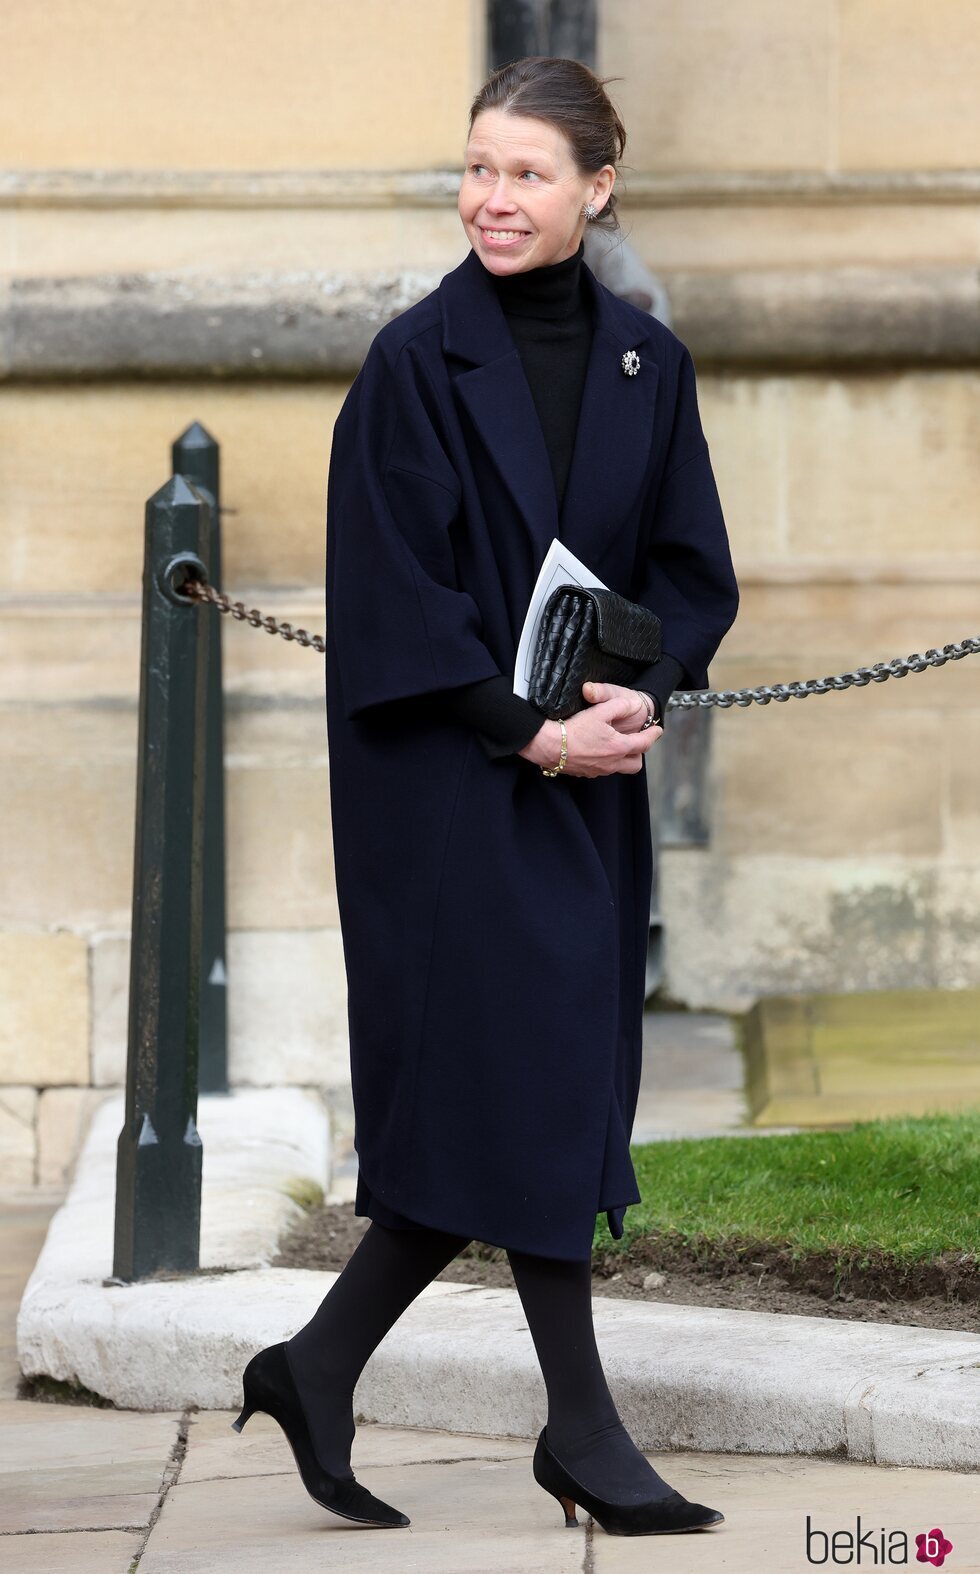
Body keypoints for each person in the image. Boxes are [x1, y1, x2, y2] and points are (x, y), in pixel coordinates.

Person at [233, 56, 739, 1538]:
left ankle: (317, 1366)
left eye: (526, 172)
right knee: (530, 1076)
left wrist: (652, 684)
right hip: (448, 785)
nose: (492, 198)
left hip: (585, 777)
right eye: (476, 168)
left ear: (600, 185)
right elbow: (397, 601)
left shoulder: (653, 362)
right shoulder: (413, 363)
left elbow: (690, 572)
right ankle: (584, 1431)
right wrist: (532, 737)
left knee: (519, 1085)